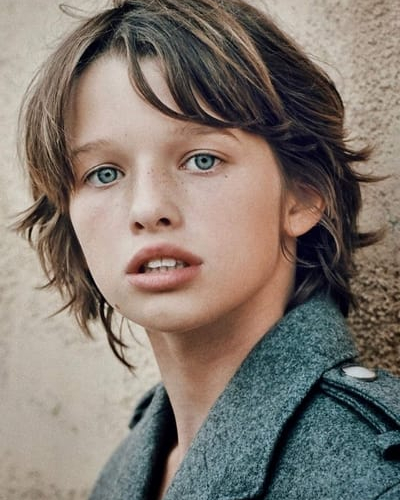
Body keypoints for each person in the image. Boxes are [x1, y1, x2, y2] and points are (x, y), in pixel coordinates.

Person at [16, 0, 400, 498]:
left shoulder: (377, 475)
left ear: (303, 193)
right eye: (104, 173)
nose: (148, 208)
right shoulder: (123, 470)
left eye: (201, 159)